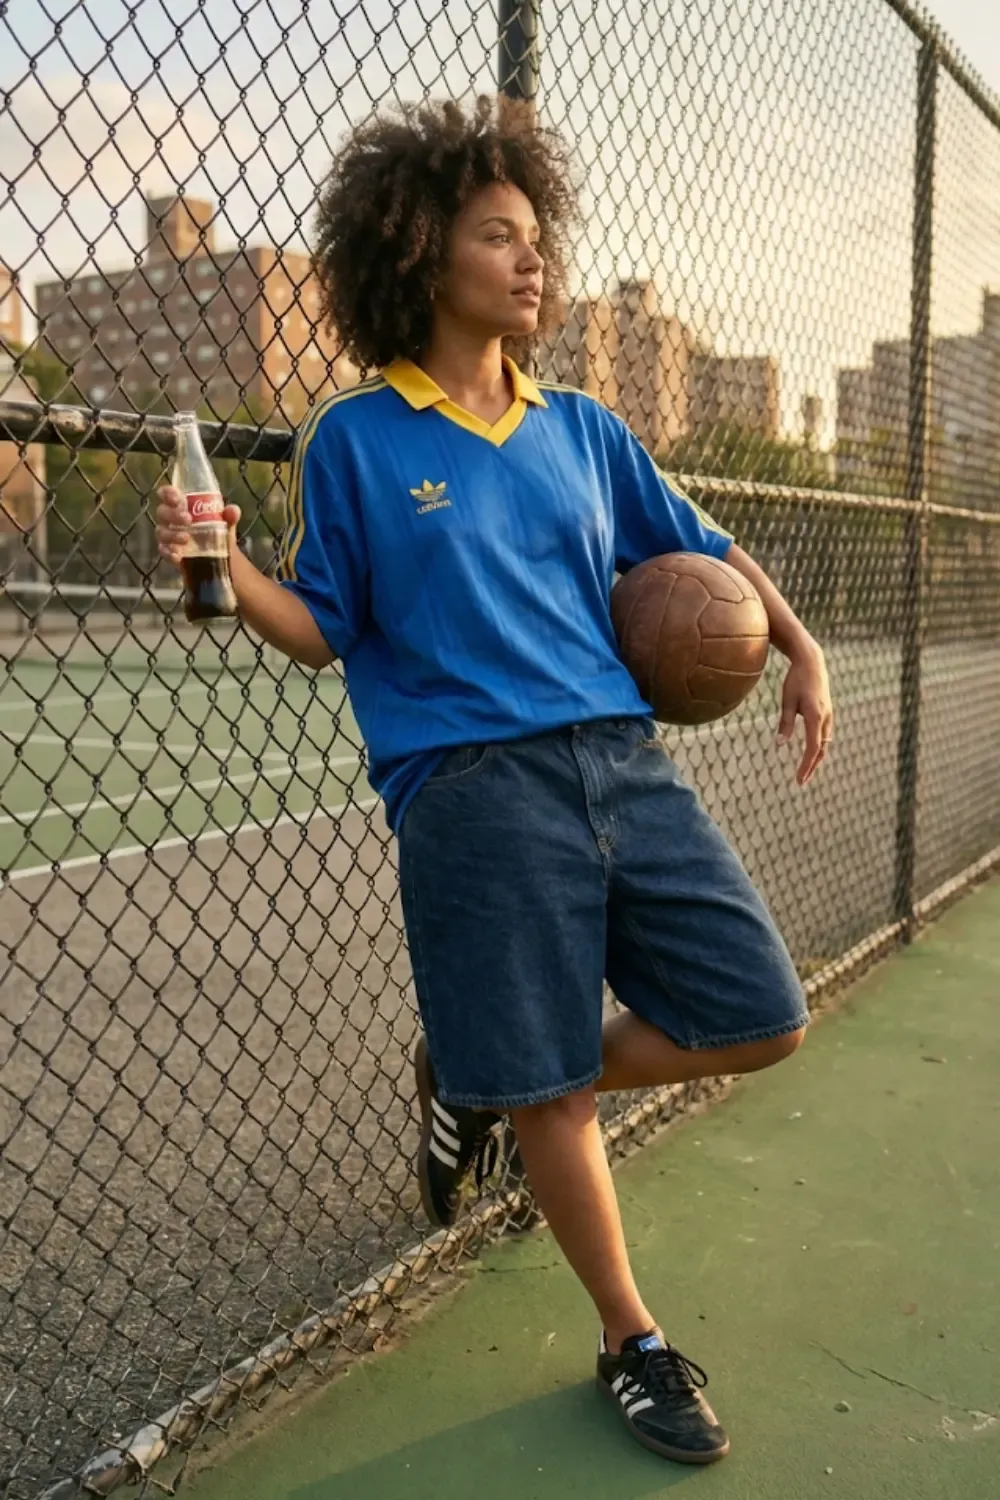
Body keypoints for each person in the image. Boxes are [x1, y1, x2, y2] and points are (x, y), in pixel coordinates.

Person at [156, 95, 833, 1466]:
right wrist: (224, 576)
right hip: (469, 788)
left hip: (621, 764)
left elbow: (699, 544)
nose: (534, 263)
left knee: (764, 1016)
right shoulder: (357, 438)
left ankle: (491, 1075)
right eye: (497, 236)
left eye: (538, 238)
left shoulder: (583, 428)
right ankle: (630, 1341)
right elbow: (323, 628)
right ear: (420, 253)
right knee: (565, 1108)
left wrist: (801, 648)